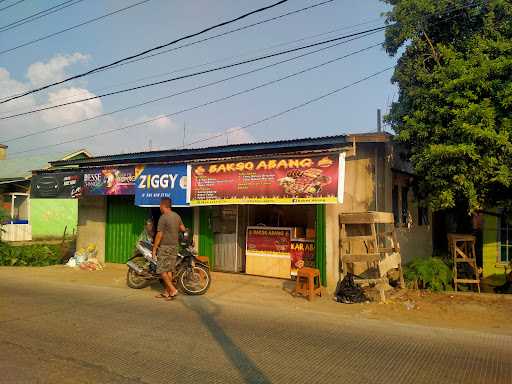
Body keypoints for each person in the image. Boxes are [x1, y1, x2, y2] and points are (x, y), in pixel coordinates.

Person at [152, 197, 185, 300]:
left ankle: (173, 290)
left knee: (161, 269)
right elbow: (183, 228)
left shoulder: (163, 217)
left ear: (163, 205)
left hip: (165, 246)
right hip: (174, 246)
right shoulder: (177, 216)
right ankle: (167, 292)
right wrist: (174, 230)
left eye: (160, 205)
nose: (159, 207)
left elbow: (159, 234)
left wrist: (154, 249)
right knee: (169, 270)